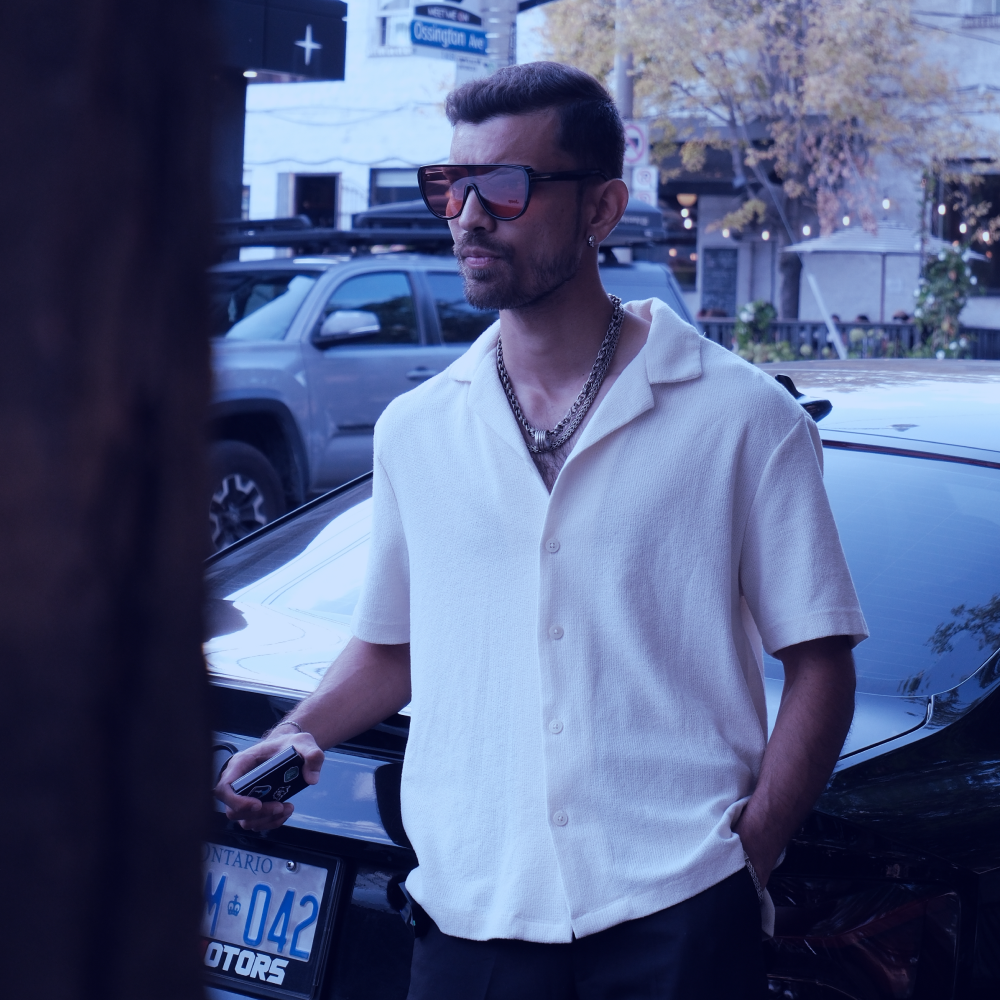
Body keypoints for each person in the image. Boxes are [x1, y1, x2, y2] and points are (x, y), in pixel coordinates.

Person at [216, 62, 867, 1000]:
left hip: (675, 914)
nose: (468, 215)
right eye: (450, 186)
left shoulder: (743, 418)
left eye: (505, 189)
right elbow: (394, 647)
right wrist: (293, 739)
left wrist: (745, 861)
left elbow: (821, 662)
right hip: (471, 914)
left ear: (601, 209)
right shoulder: (419, 430)